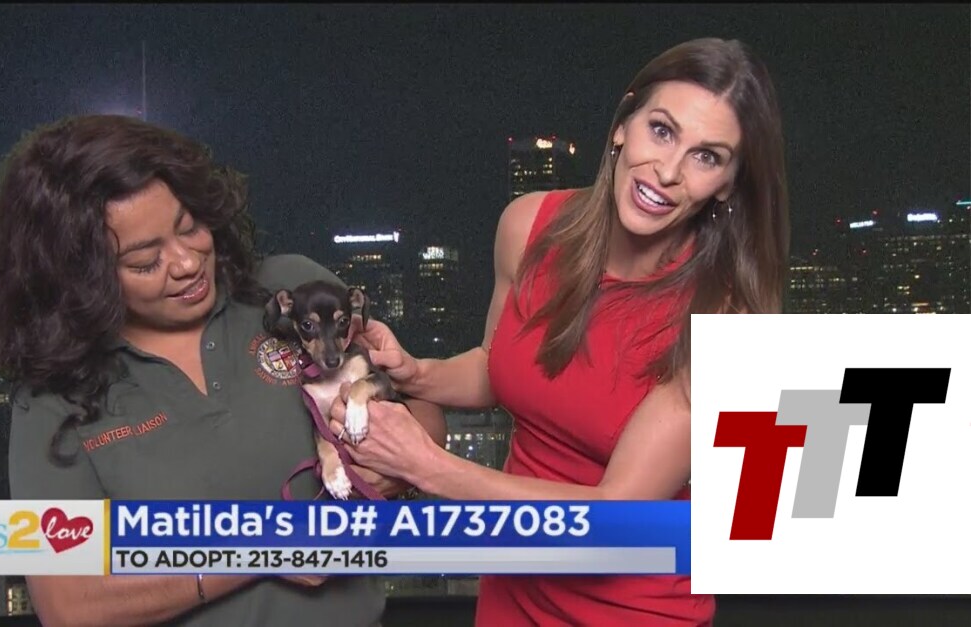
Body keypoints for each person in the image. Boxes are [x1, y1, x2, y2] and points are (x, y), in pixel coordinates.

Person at [328, 37, 789, 626]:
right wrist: (417, 373)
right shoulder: (527, 226)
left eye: (707, 157)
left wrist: (428, 466)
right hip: (512, 592)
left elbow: (615, 517)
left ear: (727, 183)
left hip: (631, 611)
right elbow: (499, 365)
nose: (668, 172)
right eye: (662, 130)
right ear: (623, 125)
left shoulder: (726, 320)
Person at [0, 114, 447, 627]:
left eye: (189, 228)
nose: (186, 263)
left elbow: (422, 414)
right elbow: (69, 606)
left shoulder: (292, 293)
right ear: (81, 278)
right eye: (145, 261)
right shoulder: (54, 395)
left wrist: (389, 469)